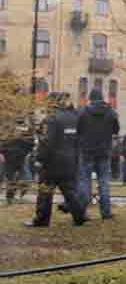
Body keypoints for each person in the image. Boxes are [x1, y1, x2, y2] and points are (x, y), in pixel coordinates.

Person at [25, 94, 87, 227]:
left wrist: (39, 158)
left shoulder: (51, 119)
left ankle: (41, 220)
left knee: (45, 192)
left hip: (52, 162)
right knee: (70, 191)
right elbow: (79, 141)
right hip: (70, 161)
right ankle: (80, 216)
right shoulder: (75, 118)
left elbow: (47, 142)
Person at [76, 88, 120, 220]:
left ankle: (82, 211)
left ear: (90, 98)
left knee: (84, 180)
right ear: (102, 97)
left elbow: (78, 129)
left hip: (87, 150)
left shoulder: (83, 111)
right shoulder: (111, 112)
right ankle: (106, 212)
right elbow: (116, 130)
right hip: (104, 151)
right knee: (104, 181)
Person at [2, 118, 33, 204]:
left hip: (21, 158)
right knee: (11, 179)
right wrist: (2, 153)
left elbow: (31, 143)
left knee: (26, 179)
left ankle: (21, 194)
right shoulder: (8, 133)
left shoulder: (26, 132)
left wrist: (28, 153)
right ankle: (10, 198)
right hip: (9, 159)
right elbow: (3, 144)